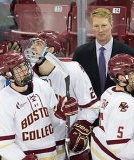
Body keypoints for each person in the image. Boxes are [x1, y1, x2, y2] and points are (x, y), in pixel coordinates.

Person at [24, 30, 100, 159]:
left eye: (38, 44)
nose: (32, 48)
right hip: (38, 146)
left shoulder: (73, 70)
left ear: (51, 50)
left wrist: (82, 124)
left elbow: (92, 106)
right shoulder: (26, 74)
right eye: (32, 44)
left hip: (66, 144)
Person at [0, 50, 68, 159]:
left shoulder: (42, 86)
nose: (25, 70)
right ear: (8, 74)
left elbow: (53, 125)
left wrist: (59, 115)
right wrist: (21, 158)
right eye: (18, 69)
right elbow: (3, 144)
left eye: (24, 65)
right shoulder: (0, 101)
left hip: (51, 155)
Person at [90, 54, 134, 159]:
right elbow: (117, 144)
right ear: (121, 77)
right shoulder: (129, 103)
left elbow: (113, 123)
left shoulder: (109, 92)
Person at [72, 7, 134, 98]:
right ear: (92, 27)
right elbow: (74, 83)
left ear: (111, 25)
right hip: (89, 109)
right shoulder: (80, 53)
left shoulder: (128, 53)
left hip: (117, 108)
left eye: (104, 25)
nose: (100, 30)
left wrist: (122, 105)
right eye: (96, 26)